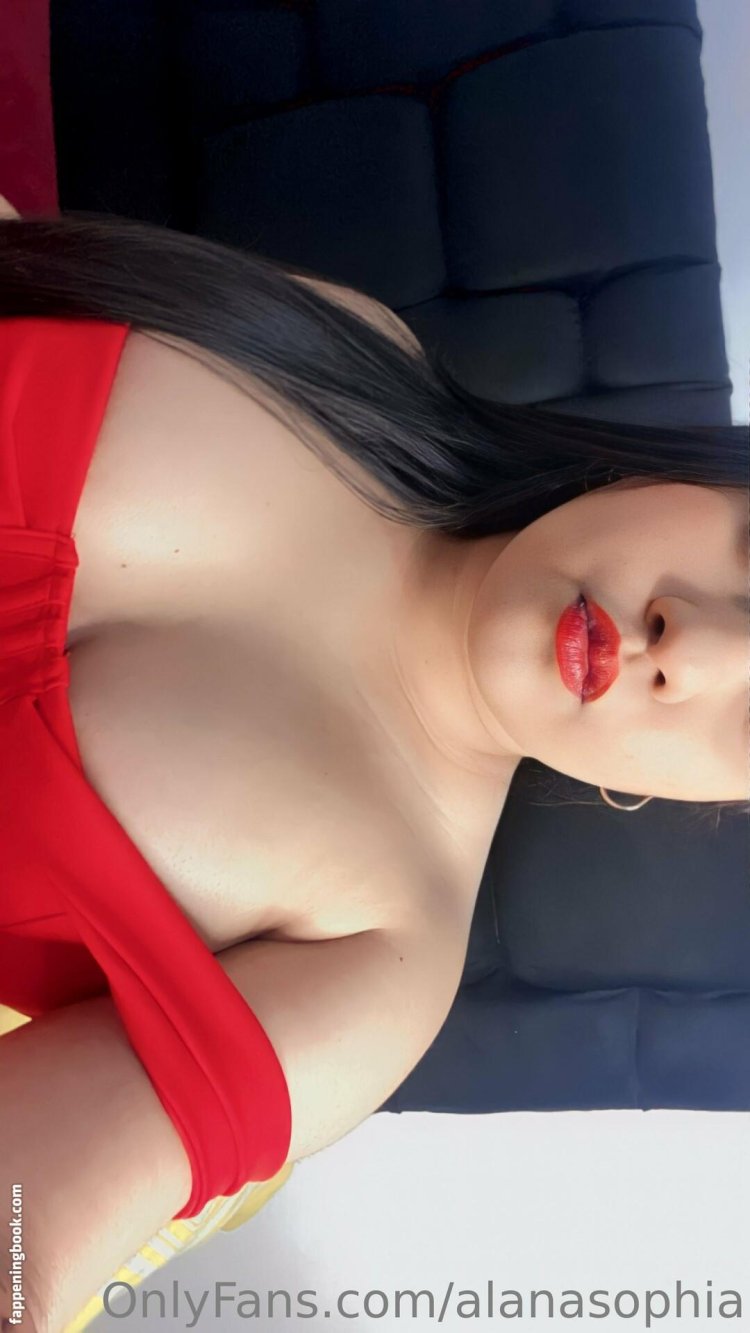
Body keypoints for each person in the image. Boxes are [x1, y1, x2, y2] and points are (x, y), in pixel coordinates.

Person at [1, 202, 747, 1333]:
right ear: (698, 473)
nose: (687, 642)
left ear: (710, 800)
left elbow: (27, 1222)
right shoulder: (350, 351)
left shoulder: (380, 962)